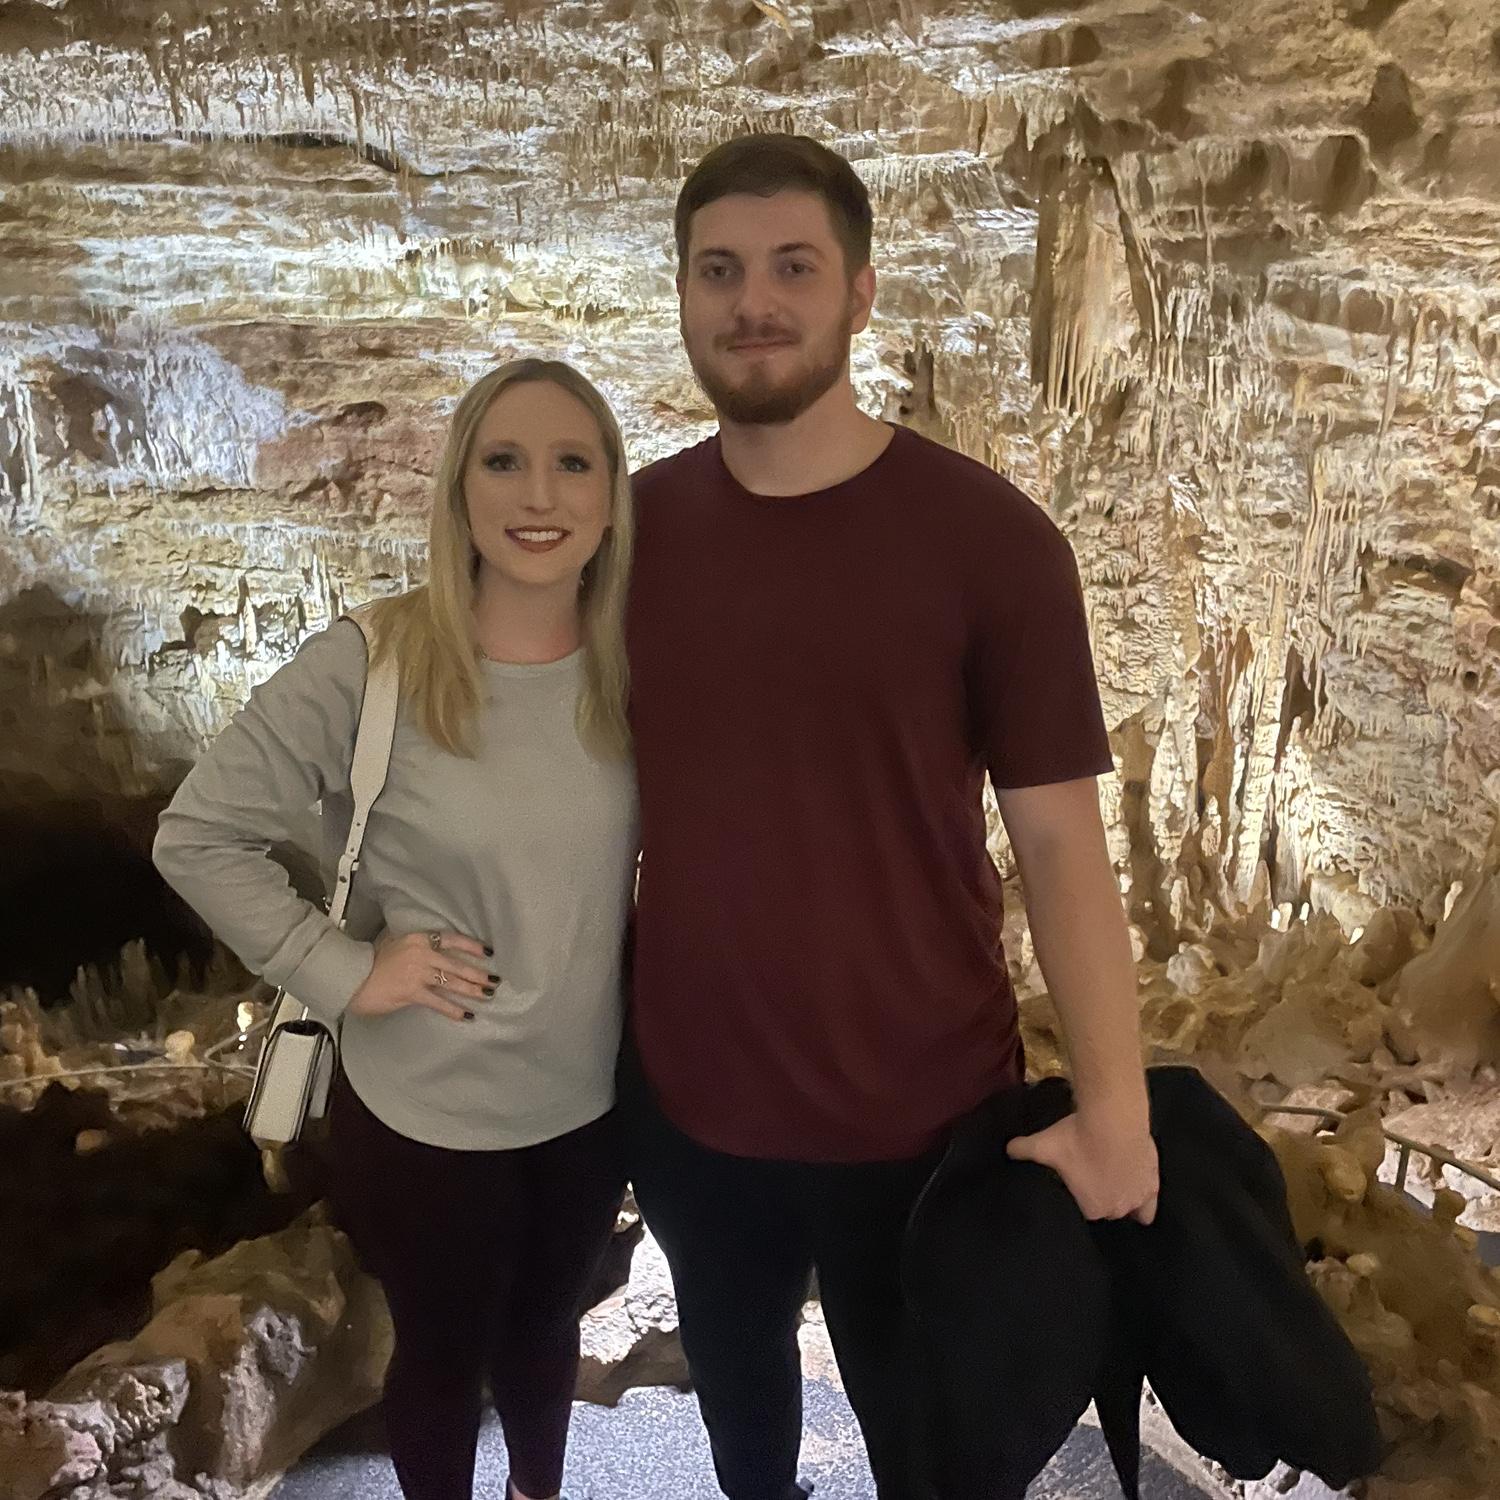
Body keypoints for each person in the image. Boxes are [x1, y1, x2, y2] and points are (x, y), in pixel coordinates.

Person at [621, 133, 1161, 1500]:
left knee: (938, 1458)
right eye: (722, 271)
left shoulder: (992, 545)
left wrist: (1117, 1111)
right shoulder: (627, 538)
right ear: (680, 294)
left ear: (861, 291)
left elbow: (1057, 847)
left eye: (793, 268)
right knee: (744, 1445)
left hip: (917, 1117)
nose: (756, 303)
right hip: (693, 1113)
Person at [153, 359, 639, 1500]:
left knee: (544, 1334)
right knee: (442, 1353)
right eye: (504, 460)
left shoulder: (629, 668)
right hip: (427, 1111)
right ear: (459, 489)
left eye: (574, 463)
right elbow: (198, 834)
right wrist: (345, 970)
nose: (540, 495)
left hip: (585, 1097)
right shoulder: (373, 662)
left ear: (612, 497)